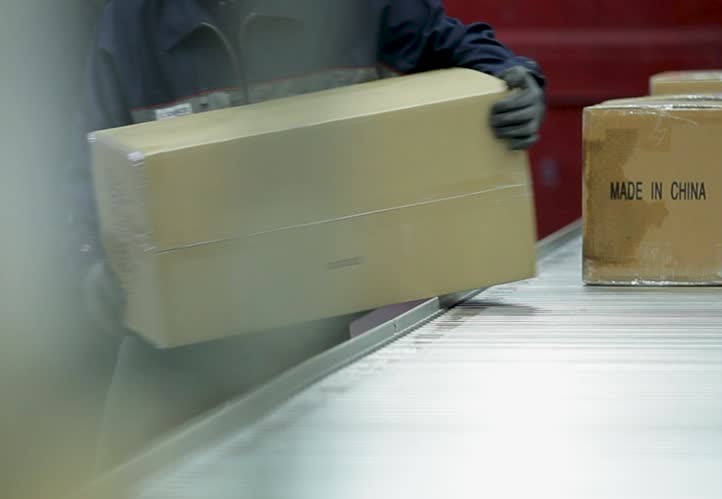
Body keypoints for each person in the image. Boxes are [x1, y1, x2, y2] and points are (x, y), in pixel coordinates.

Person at [70, 0, 546, 470]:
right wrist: (89, 259)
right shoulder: (133, 20)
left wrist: (513, 78)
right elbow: (81, 161)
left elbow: (454, 45)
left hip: (309, 329)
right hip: (173, 353)